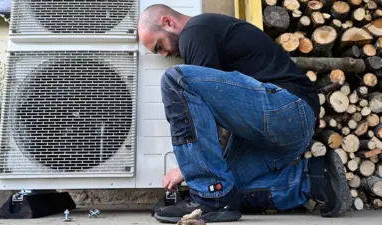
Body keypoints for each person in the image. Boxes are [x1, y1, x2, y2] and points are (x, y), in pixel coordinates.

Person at [138, 4, 351, 223]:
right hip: (286, 128)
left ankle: (207, 197)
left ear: (167, 22)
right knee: (226, 189)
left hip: (287, 109)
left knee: (175, 80)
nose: (164, 54)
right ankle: (315, 178)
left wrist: (187, 169)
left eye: (159, 46)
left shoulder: (195, 30)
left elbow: (205, 115)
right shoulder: (205, 32)